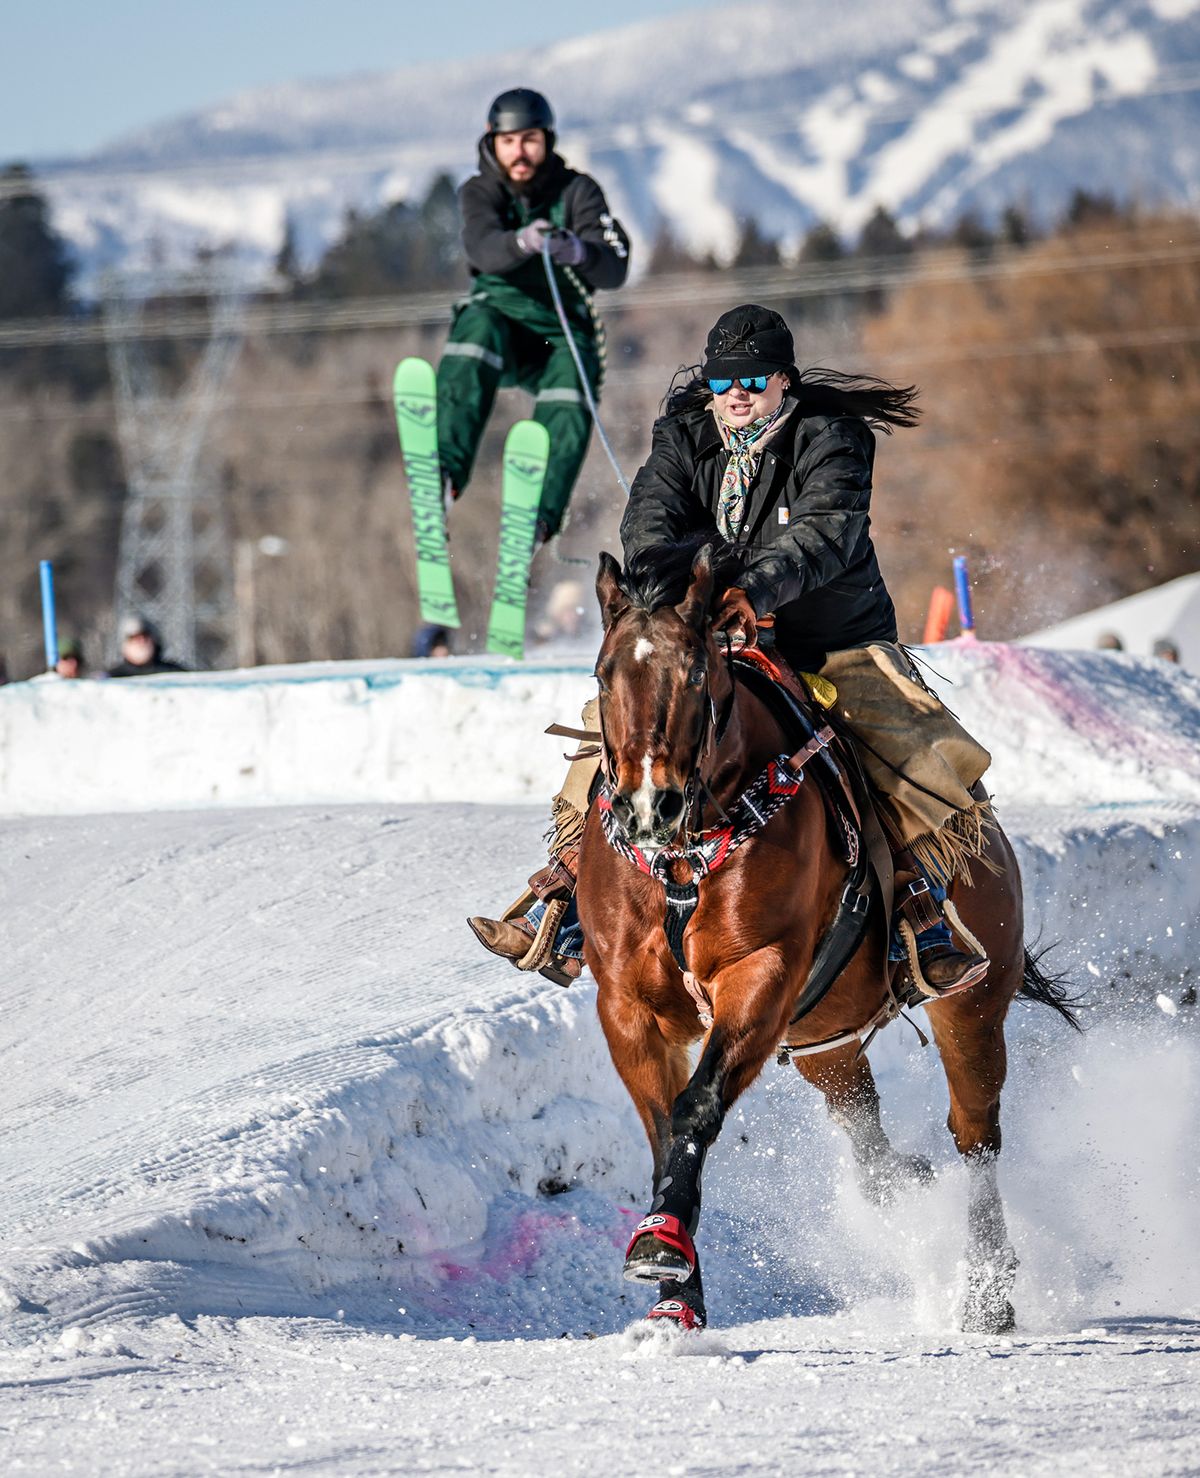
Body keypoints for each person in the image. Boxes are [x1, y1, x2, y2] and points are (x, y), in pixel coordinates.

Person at [469, 304, 998, 994]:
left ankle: (919, 912)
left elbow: (827, 532)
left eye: (752, 378)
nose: (736, 393)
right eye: (723, 381)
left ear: (784, 379)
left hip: (828, 642)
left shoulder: (830, 436)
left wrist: (753, 589)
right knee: (621, 726)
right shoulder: (683, 437)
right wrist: (683, 592)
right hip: (705, 638)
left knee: (905, 751)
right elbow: (649, 522)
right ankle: (566, 893)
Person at [437, 88, 631, 545]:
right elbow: (481, 246)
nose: (519, 152)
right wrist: (521, 242)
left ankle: (535, 520)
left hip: (557, 332)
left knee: (571, 394)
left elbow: (616, 264)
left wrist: (579, 250)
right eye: (509, 141)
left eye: (529, 140)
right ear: (492, 140)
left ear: (547, 140)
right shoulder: (480, 192)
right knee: (474, 331)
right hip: (501, 324)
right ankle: (442, 472)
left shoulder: (578, 191)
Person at [106, 615, 187, 678]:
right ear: (124, 645)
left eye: (145, 636)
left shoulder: (176, 675)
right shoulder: (110, 679)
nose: (141, 642)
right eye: (134, 638)